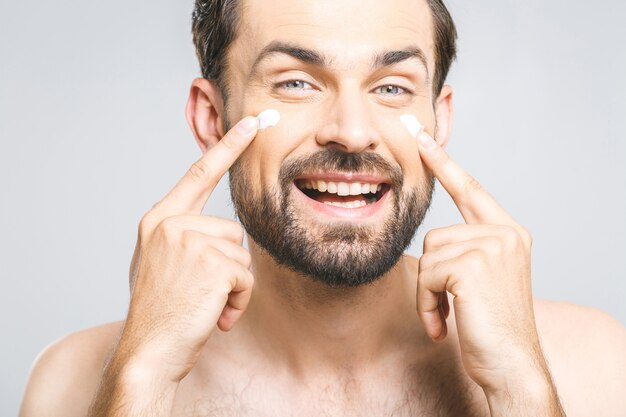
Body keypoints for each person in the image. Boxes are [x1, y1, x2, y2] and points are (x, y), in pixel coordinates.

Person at [18, 0, 626, 416]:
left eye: (391, 88)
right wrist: (139, 383)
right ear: (212, 117)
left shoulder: (588, 362)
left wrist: (523, 391)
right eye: (296, 82)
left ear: (439, 120)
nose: (353, 132)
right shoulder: (76, 380)